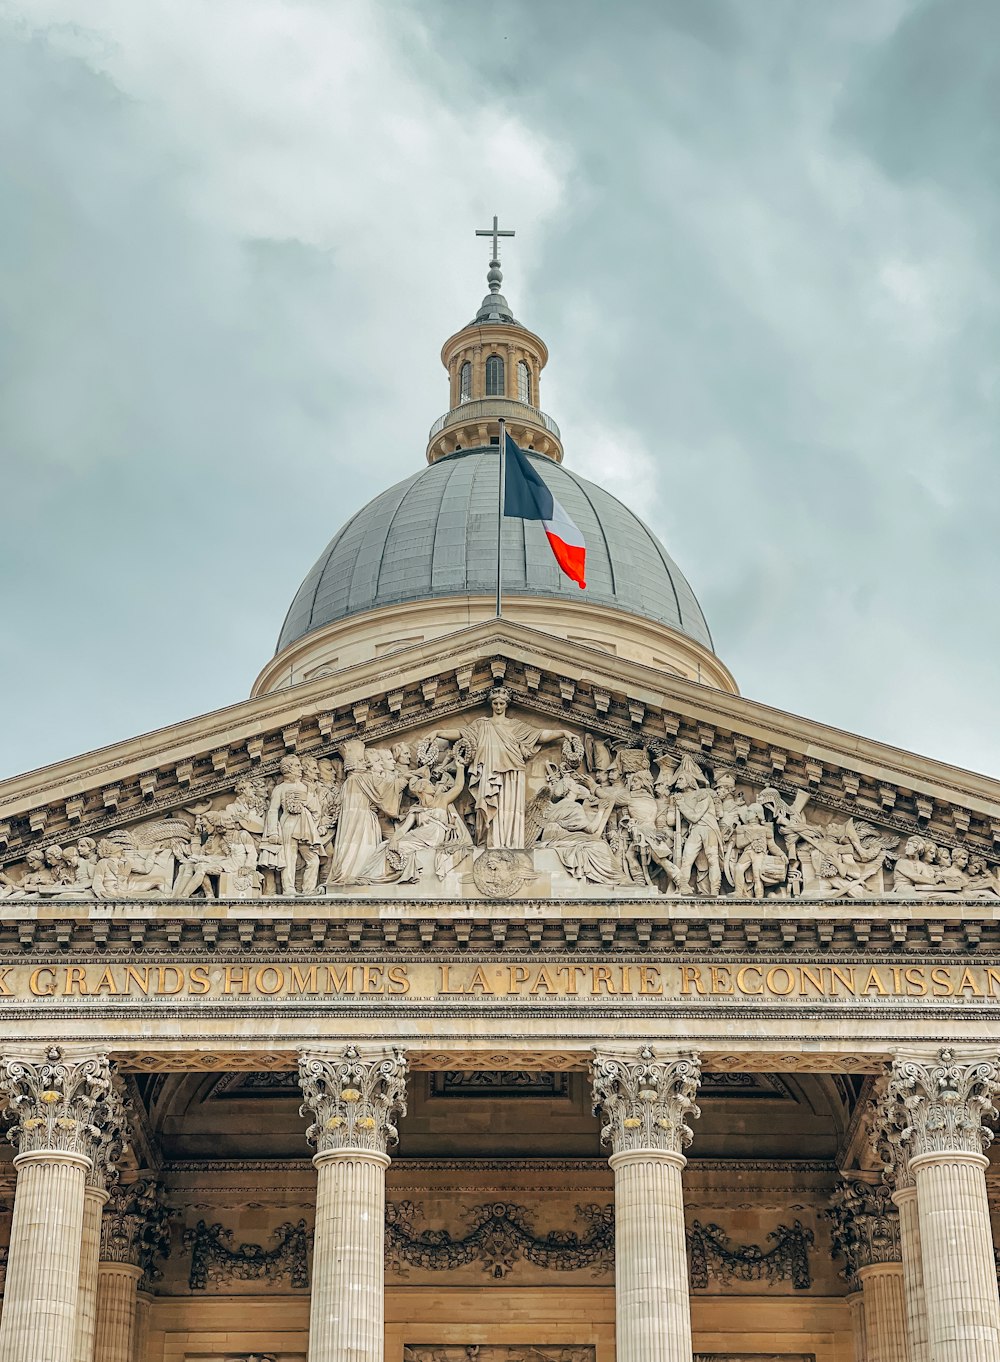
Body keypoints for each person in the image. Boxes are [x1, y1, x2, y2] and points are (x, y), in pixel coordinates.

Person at [432, 687, 572, 848]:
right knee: (487, 806)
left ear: (506, 705)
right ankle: (489, 842)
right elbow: (460, 733)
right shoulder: (481, 725)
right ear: (491, 704)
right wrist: (437, 733)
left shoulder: (516, 726)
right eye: (495, 703)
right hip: (488, 770)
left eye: (501, 703)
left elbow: (540, 735)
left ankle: (511, 843)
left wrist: (563, 732)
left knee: (509, 809)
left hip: (513, 773)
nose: (498, 707)